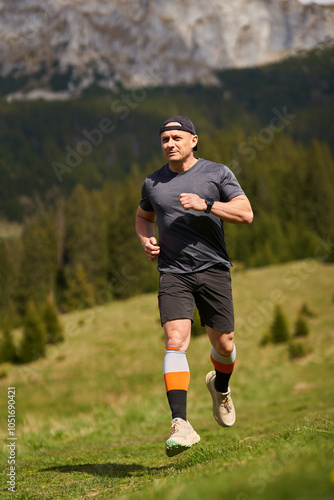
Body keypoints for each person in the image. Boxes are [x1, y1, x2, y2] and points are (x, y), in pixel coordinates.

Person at [135, 116, 253, 457]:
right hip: (173, 272)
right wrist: (146, 240)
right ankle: (180, 424)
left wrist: (208, 205)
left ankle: (220, 386)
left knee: (225, 346)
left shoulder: (217, 173)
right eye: (164, 139)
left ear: (194, 140)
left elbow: (246, 214)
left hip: (214, 269)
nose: (169, 143)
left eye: (176, 137)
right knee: (175, 341)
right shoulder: (152, 183)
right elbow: (144, 217)